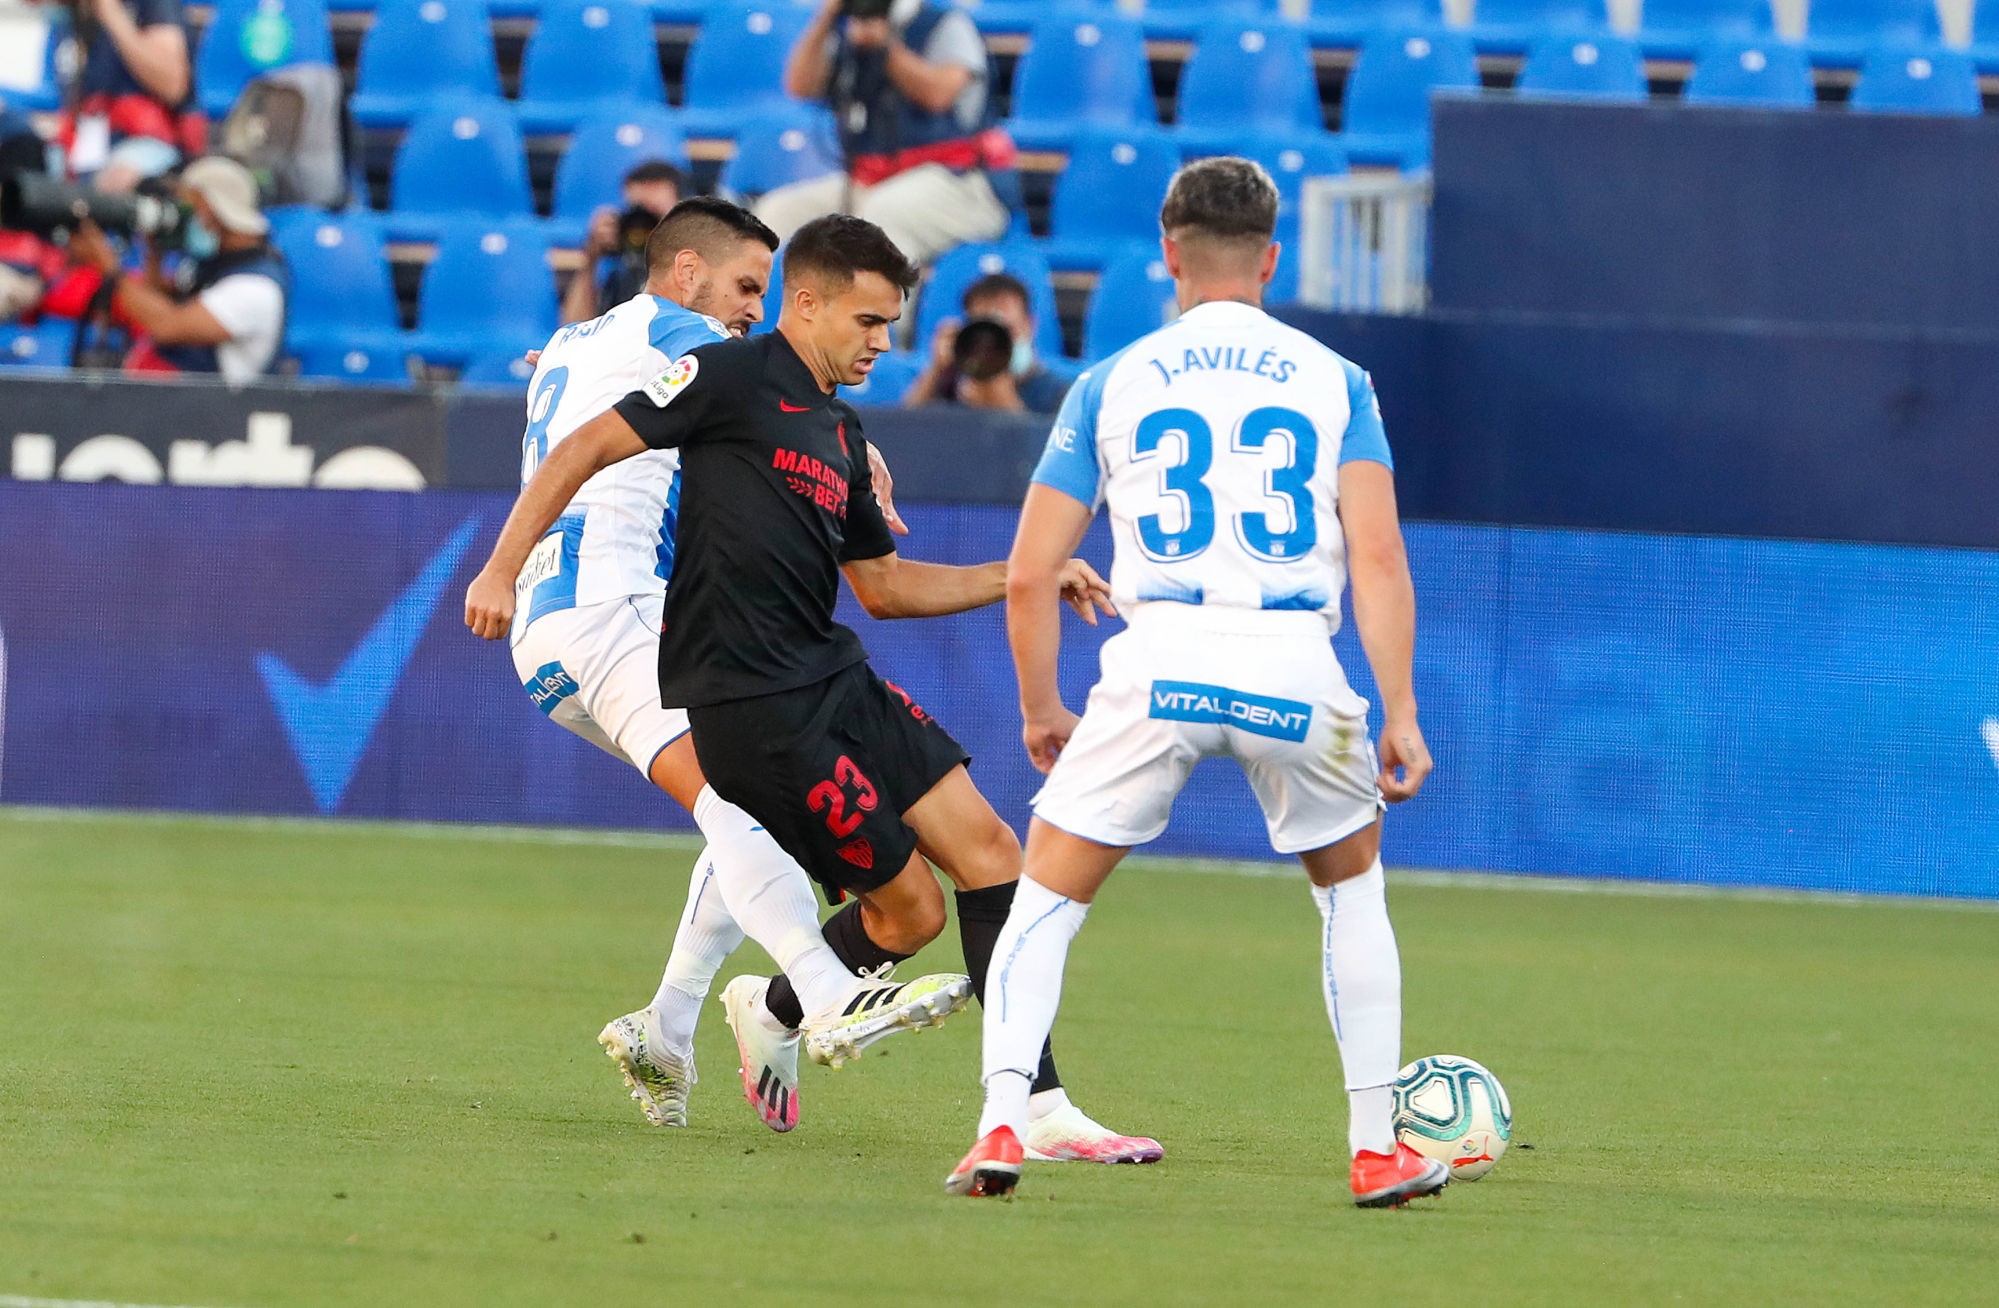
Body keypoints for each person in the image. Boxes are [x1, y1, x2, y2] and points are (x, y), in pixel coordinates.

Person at [465, 213, 1161, 1165]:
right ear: (796, 301)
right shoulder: (720, 362)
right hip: (663, 638)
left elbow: (882, 586)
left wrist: (1023, 572)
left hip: (817, 667)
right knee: (748, 815)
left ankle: (1007, 1096)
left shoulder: (817, 415)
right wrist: (495, 568)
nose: (883, 343)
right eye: (868, 322)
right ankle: (819, 999)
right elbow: (591, 440)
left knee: (985, 854)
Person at [945, 157, 1447, 1207]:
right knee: (1350, 894)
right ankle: (1374, 1147)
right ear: (1272, 257)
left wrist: (1042, 705)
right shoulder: (1335, 381)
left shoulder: (1112, 381)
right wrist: (1398, 709)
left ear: (1168, 255)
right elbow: (1379, 560)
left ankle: (999, 1123)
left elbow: (1033, 569)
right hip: (1292, 668)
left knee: (1043, 899)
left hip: (1159, 661)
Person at [472, 196, 973, 1136]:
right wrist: (863, 450)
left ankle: (664, 1027)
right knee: (735, 798)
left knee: (751, 795)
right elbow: (771, 383)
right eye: (748, 288)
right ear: (687, 271)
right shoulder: (684, 333)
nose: (755, 310)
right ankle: (824, 994)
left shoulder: (578, 339)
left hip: (563, 630)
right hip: (613, 603)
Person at [758, 0, 1015, 266]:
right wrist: (827, 17)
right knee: (778, 212)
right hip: (872, 180)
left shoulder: (945, 23)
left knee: (884, 215)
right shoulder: (848, 29)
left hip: (960, 182)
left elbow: (939, 94)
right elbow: (801, 86)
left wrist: (885, 47)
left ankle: (883, 309)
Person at [64, 154, 287, 381]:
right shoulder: (212, 267)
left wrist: (109, 267)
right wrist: (154, 253)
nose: (188, 219)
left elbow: (167, 325)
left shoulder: (254, 287)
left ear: (213, 210)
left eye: (190, 208)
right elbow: (155, 302)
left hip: (208, 411)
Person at [58, 0, 198, 193]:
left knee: (116, 180)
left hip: (148, 142)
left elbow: (173, 84)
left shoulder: (152, 6)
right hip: (87, 138)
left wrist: (112, 13)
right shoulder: (72, 13)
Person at [902, 271, 1069, 414]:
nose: (991, 346)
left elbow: (1037, 446)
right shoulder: (951, 384)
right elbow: (905, 429)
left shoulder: (1055, 393)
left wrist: (1001, 396)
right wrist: (936, 370)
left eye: (1006, 331)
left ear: (1029, 325)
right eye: (984, 333)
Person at [557, 160, 686, 327]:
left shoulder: (698, 266)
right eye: (636, 212)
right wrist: (591, 258)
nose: (644, 225)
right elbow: (574, 329)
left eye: (653, 214)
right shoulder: (621, 266)